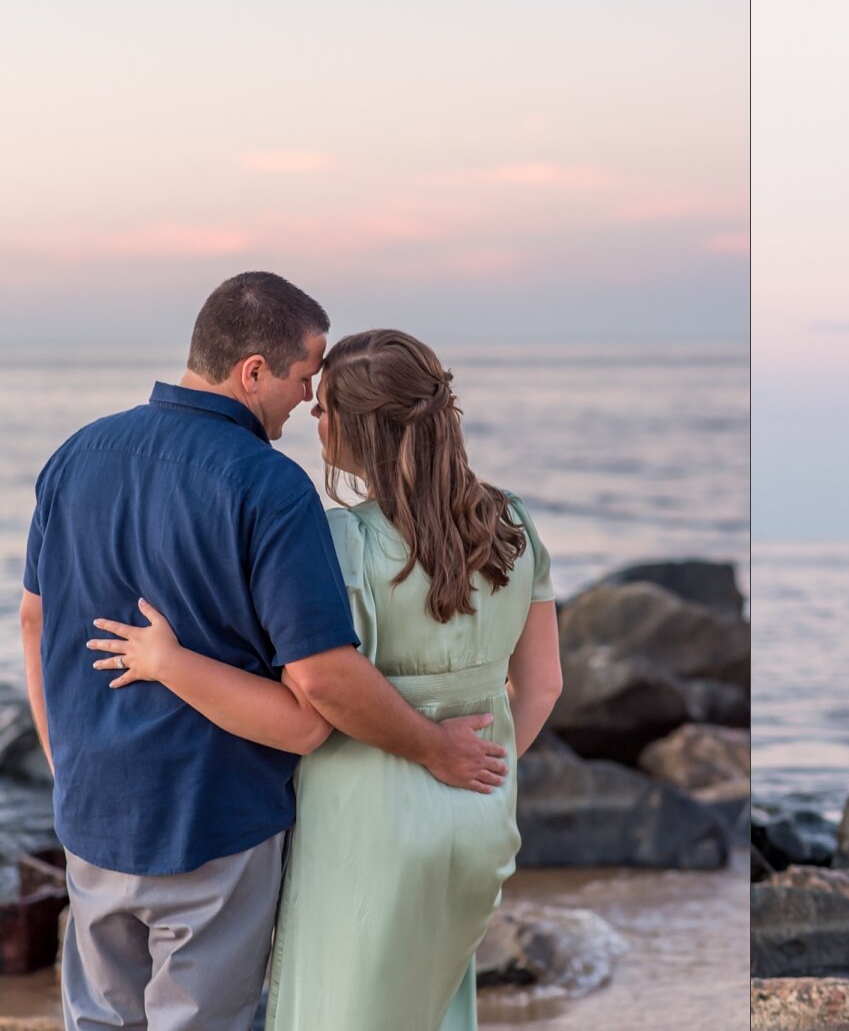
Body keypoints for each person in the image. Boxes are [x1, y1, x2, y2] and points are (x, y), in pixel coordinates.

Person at [20, 273, 507, 1031]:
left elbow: (33, 622)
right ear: (253, 371)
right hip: (215, 824)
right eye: (305, 377)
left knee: (102, 1021)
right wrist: (435, 748)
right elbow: (320, 683)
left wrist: (65, 761)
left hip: (93, 815)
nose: (310, 402)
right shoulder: (269, 487)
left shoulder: (73, 457)